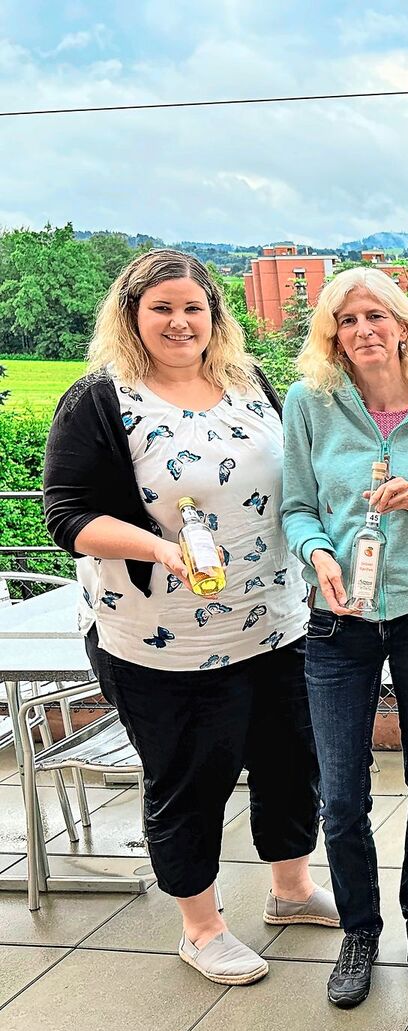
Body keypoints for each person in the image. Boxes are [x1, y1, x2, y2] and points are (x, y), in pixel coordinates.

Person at [43, 249, 335, 986]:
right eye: (162, 308)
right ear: (132, 316)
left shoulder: (247, 381)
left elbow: (294, 480)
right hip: (159, 641)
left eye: (193, 308)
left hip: (275, 622)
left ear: (214, 315)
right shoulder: (100, 399)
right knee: (189, 779)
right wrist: (160, 549)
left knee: (290, 761)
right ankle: (201, 928)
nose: (180, 322)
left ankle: (291, 889)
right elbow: (67, 516)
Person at [281, 266, 408, 1007]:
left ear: (402, 325)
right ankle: (360, 932)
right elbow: (297, 506)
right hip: (339, 622)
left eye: (376, 316)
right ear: (333, 335)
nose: (363, 330)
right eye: (347, 320)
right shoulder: (310, 403)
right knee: (341, 790)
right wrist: (318, 553)